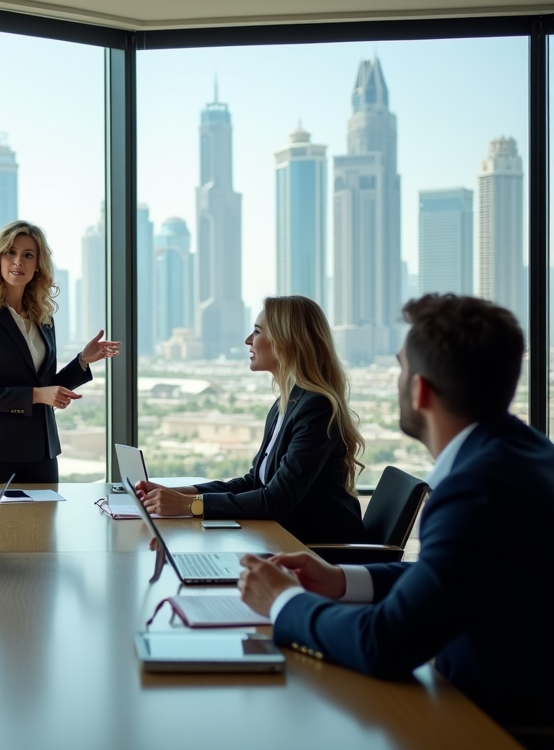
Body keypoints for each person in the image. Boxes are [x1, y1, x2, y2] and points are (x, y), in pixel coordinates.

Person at [237, 294, 554, 740]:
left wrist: (283, 602)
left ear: (420, 389)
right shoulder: (525, 454)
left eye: (401, 369)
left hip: (487, 725)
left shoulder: (474, 489)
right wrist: (343, 580)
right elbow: (446, 576)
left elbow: (383, 644)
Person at [137, 295, 367, 544]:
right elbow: (255, 482)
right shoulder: (286, 403)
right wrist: (178, 494)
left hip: (322, 550)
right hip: (286, 539)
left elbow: (276, 500)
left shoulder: (316, 407)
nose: (248, 340)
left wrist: (189, 505)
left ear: (286, 341)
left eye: (257, 332)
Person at [0, 220, 119, 484]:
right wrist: (35, 395)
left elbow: (46, 387)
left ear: (37, 265)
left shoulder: (44, 317)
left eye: (28, 255)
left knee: (44, 527)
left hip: (43, 453)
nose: (18, 261)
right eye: (11, 252)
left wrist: (83, 360)